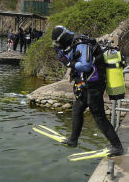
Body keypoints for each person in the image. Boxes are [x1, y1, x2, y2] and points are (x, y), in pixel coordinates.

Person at [51, 25, 124, 157]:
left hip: (96, 82)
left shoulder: (81, 44)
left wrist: (69, 64)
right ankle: (73, 140)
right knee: (78, 108)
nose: (58, 45)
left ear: (63, 38)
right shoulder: (72, 43)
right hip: (88, 82)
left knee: (98, 115)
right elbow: (71, 59)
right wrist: (64, 58)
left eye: (57, 42)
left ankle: (117, 146)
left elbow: (85, 65)